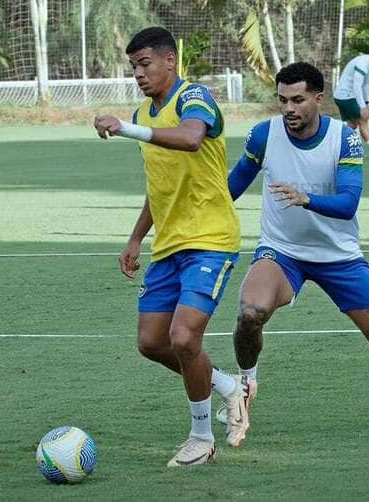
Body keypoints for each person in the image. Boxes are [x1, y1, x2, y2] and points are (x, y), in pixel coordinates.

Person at [222, 62, 369, 433]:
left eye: (298, 100)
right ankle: (244, 386)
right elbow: (229, 190)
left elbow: (347, 204)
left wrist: (306, 199)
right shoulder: (263, 135)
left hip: (339, 257)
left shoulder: (344, 138)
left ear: (318, 98)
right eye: (282, 100)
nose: (288, 109)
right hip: (282, 251)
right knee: (250, 313)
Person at [93, 27, 250, 467]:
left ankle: (202, 437)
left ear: (169, 61)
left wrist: (125, 128)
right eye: (134, 68)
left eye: (145, 65)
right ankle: (226, 384)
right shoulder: (144, 110)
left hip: (211, 240)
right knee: (151, 342)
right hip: (168, 245)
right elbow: (160, 184)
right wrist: (136, 236)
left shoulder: (193, 96)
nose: (139, 75)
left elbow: (191, 137)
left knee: (183, 337)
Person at [333, 47, 369, 158]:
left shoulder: (368, 63)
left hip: (344, 96)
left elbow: (365, 85)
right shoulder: (363, 63)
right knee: (362, 121)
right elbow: (357, 85)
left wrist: (367, 103)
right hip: (346, 96)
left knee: (352, 125)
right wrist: (362, 107)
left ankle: (334, 138)